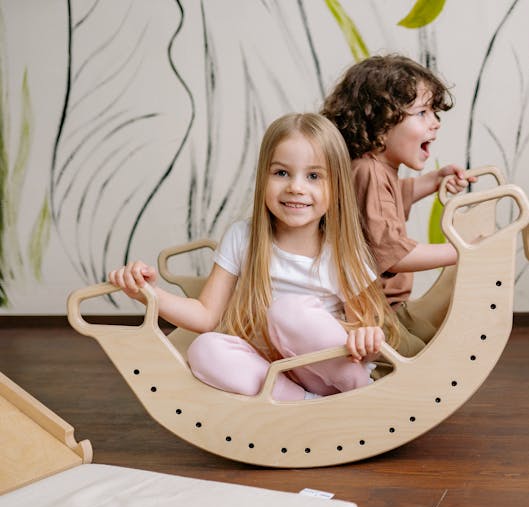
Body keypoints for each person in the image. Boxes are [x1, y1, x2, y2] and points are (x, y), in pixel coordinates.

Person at [108, 112, 399, 401]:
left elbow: (368, 342)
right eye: (281, 173)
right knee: (204, 348)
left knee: (288, 311)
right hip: (275, 374)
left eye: (313, 176)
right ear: (263, 178)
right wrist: (148, 294)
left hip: (331, 375)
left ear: (335, 188)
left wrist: (368, 339)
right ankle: (302, 404)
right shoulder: (242, 237)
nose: (295, 187)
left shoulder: (342, 253)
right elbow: (206, 316)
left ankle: (359, 395)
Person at [322, 54, 475, 357]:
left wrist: (434, 180)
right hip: (369, 315)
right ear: (380, 124)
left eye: (433, 112)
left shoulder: (374, 168)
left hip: (388, 308)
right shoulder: (368, 171)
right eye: (422, 112)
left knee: (435, 341)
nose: (435, 123)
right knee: (420, 357)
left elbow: (389, 202)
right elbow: (393, 254)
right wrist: (462, 249)